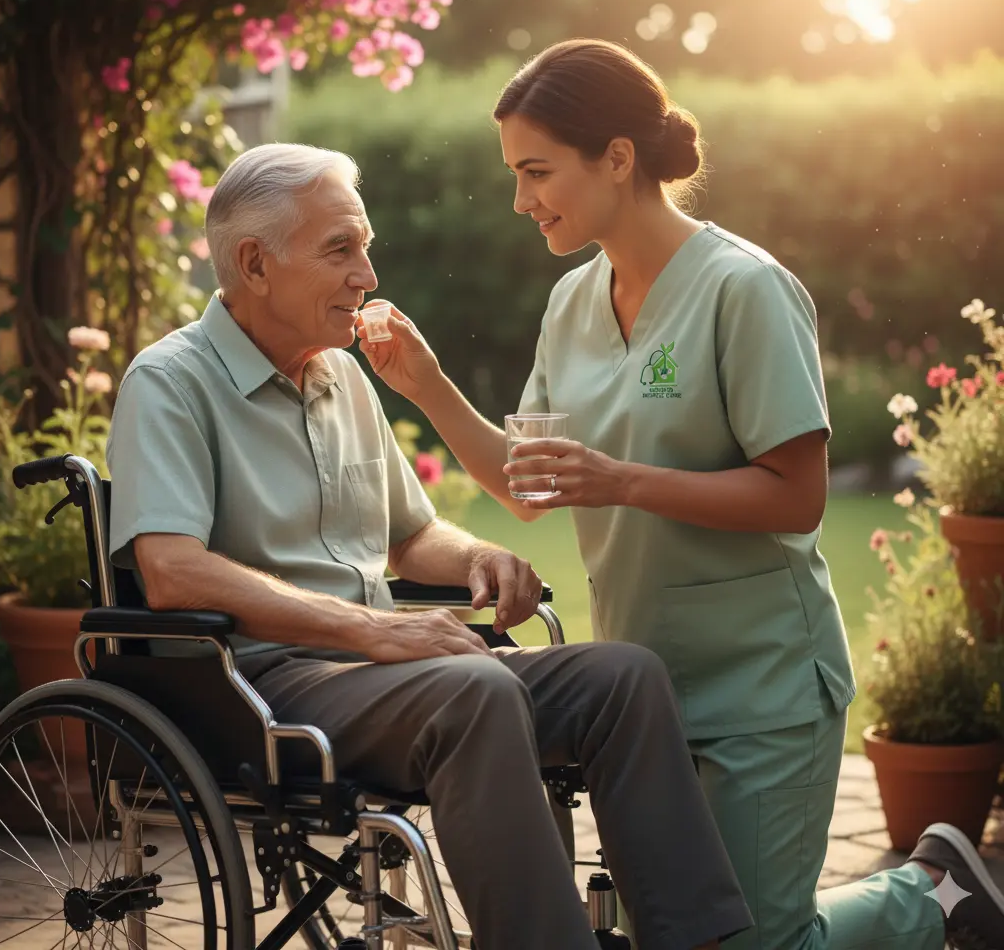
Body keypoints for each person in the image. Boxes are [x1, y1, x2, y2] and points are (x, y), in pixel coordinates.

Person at [355, 39, 1004, 950]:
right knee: (683, 937)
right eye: (514, 173)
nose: (520, 199)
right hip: (637, 699)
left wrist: (623, 481)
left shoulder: (746, 290)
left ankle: (929, 894)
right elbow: (528, 486)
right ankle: (931, 887)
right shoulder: (571, 302)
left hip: (762, 684)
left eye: (537, 171)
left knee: (759, 944)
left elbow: (797, 497)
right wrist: (423, 384)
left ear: (617, 158)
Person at [105, 141, 753, 950]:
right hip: (261, 688)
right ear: (253, 263)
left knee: (622, 677)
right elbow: (169, 571)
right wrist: (375, 631)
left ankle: (698, 943)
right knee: (472, 691)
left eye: (366, 248)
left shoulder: (340, 378)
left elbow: (409, 536)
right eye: (341, 250)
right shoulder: (169, 383)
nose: (368, 276)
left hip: (385, 672)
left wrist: (476, 557)